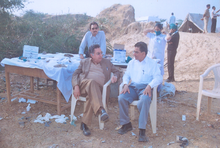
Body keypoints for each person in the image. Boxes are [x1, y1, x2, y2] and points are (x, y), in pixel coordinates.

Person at [117, 42, 163, 142]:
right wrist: (125, 84)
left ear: (143, 53)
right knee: (121, 98)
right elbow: (126, 75)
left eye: (136, 52)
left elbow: (159, 78)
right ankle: (126, 124)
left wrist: (150, 85)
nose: (134, 54)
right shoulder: (132, 63)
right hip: (133, 87)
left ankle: (142, 130)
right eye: (134, 51)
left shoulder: (152, 63)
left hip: (145, 88)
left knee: (145, 99)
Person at [72, 44, 119, 136]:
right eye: (98, 53)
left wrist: (115, 76)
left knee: (92, 96)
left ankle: (84, 124)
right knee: (92, 83)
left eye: (101, 53)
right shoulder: (84, 62)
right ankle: (101, 110)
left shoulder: (107, 62)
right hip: (84, 86)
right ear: (92, 55)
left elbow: (117, 71)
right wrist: (76, 86)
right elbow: (75, 75)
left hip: (99, 90)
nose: (101, 55)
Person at [143, 23, 166, 90]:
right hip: (151, 57)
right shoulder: (152, 35)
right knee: (150, 72)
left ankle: (158, 88)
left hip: (159, 58)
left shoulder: (163, 37)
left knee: (158, 72)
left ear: (161, 29)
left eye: (158, 29)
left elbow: (168, 37)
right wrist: (151, 30)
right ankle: (150, 87)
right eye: (155, 29)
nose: (156, 31)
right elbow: (144, 32)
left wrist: (167, 32)